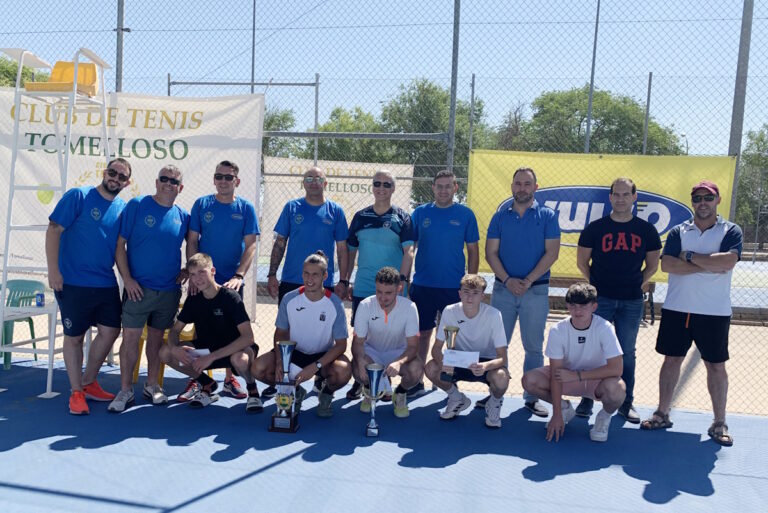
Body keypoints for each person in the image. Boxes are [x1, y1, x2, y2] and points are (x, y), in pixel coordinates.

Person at [640, 180, 742, 447]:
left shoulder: (731, 230)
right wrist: (709, 263)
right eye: (697, 198)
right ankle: (662, 413)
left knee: (716, 366)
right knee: (671, 361)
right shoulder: (678, 231)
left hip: (714, 312)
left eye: (708, 197)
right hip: (677, 309)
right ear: (693, 201)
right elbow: (667, 265)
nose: (702, 202)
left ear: (717, 200)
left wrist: (689, 256)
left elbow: (728, 262)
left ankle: (719, 422)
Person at [45, 159, 132, 415]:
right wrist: (54, 271)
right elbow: (53, 230)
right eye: (112, 172)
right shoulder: (79, 196)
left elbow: (119, 248)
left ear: (127, 183)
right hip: (72, 282)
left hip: (105, 283)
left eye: (122, 176)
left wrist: (127, 277)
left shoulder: (122, 208)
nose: (115, 178)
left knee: (111, 331)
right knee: (74, 338)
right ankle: (75, 393)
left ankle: (89, 382)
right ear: (104, 173)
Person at [574, 177, 661, 423]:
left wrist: (635, 282)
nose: (621, 198)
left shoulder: (646, 230)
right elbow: (582, 262)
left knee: (626, 353)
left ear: (634, 197)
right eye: (617, 194)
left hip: (632, 300)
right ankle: (587, 398)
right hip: (600, 300)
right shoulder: (595, 228)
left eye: (626, 194)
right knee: (593, 350)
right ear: (610, 197)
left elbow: (653, 265)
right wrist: (596, 287)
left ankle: (626, 402)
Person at [108, 165, 191, 413]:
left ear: (180, 187)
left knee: (156, 340)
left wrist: (188, 268)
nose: (168, 184)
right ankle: (124, 390)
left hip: (168, 292)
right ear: (156, 182)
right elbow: (119, 246)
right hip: (138, 290)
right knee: (131, 339)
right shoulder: (137, 205)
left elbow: (193, 245)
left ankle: (152, 385)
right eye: (164, 179)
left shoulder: (183, 216)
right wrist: (128, 279)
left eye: (173, 181)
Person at [264, 166, 349, 398]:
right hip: (293, 280)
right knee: (287, 332)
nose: (313, 182)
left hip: (324, 283)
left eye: (317, 178)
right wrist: (272, 274)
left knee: (322, 333)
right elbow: (280, 242)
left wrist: (343, 279)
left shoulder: (335, 211)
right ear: (303, 183)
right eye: (308, 178)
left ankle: (320, 376)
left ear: (325, 183)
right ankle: (286, 378)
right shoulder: (292, 208)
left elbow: (342, 249)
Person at [485, 166, 560, 416]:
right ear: (512, 186)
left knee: (534, 347)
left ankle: (532, 397)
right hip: (503, 290)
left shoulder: (548, 216)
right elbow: (491, 253)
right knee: (498, 345)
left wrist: (527, 280)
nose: (522, 188)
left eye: (527, 184)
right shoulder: (500, 217)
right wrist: (507, 280)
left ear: (535, 188)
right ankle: (495, 394)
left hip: (535, 291)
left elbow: (552, 253)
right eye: (517, 183)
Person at [186, 160, 259, 401]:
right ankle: (199, 380)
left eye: (229, 177)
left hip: (230, 283)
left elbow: (250, 245)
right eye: (219, 176)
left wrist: (239, 275)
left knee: (232, 332)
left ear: (236, 181)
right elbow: (193, 241)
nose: (223, 181)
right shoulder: (202, 204)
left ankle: (230, 379)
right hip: (202, 281)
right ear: (214, 179)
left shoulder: (246, 208)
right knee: (201, 327)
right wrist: (193, 274)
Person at [521, 282, 626, 443]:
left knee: (617, 389)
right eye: (573, 305)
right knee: (529, 380)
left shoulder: (605, 328)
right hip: (564, 377)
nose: (577, 311)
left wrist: (577, 375)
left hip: (593, 380)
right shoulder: (557, 330)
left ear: (594, 306)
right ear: (567, 306)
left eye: (583, 306)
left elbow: (617, 369)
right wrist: (556, 414)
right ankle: (564, 408)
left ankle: (604, 417)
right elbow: (557, 375)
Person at [253, 251, 352, 418]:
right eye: (306, 273)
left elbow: (341, 345)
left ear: (325, 276)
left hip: (322, 357)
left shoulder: (334, 303)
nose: (309, 279)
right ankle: (295, 391)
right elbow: (281, 333)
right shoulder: (289, 298)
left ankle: (326, 394)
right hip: (293, 354)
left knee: (343, 371)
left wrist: (315, 367)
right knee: (258, 368)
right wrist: (279, 360)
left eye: (315, 274)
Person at [344, 169, 415, 399]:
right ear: (372, 187)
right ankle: (362, 381)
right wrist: (345, 280)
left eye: (387, 184)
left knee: (394, 336)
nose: (381, 188)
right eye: (377, 184)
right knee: (361, 339)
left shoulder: (402, 217)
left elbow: (409, 251)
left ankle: (389, 381)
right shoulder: (360, 216)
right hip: (364, 288)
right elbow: (350, 252)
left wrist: (401, 281)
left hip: (392, 290)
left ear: (393, 189)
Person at [409, 169, 479, 397]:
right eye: (439, 186)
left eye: (448, 186)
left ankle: (447, 379)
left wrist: (471, 284)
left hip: (453, 288)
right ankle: (417, 380)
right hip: (424, 285)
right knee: (423, 334)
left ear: (456, 188)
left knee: (450, 336)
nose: (443, 190)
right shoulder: (420, 214)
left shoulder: (466, 215)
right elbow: (410, 248)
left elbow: (473, 251)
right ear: (433, 188)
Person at [158, 253, 259, 410]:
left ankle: (252, 390)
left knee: (241, 359)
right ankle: (207, 384)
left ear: (212, 271)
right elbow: (175, 331)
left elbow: (248, 338)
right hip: (207, 351)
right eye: (193, 274)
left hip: (234, 351)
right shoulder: (194, 299)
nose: (197, 278)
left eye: (202, 272)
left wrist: (211, 357)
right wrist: (174, 349)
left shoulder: (230, 297)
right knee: (165, 352)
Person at [424, 275, 509, 428]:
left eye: (475, 293)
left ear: (483, 296)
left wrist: (485, 366)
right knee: (431, 368)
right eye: (466, 292)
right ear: (459, 294)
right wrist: (444, 362)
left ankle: (494, 404)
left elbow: (502, 358)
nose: (470, 297)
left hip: (485, 362)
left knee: (502, 378)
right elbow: (436, 348)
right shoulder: (449, 311)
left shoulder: (494, 315)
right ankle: (457, 398)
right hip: (459, 360)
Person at [351, 267, 422, 418]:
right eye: (379, 292)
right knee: (358, 369)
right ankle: (369, 389)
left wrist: (398, 362)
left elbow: (413, 347)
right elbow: (357, 343)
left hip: (398, 353)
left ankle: (400, 394)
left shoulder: (410, 308)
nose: (382, 297)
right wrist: (361, 359)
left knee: (416, 369)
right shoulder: (365, 305)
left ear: (399, 289)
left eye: (388, 293)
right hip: (371, 352)